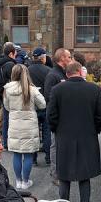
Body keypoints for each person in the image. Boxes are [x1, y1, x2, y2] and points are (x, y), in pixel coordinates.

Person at [48, 61, 101, 202]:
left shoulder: (57, 90)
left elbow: (51, 116)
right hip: (87, 136)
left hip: (64, 135)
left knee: (64, 173)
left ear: (67, 74)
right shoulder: (94, 90)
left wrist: (57, 130)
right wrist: (94, 130)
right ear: (81, 72)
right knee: (84, 172)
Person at [3, 64, 45, 190]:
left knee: (16, 153)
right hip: (29, 125)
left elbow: (7, 107)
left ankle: (18, 181)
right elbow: (42, 105)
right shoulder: (31, 90)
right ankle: (26, 181)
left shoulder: (7, 89)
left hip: (15, 124)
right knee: (27, 154)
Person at [44, 48, 72, 185]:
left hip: (65, 116)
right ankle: (55, 175)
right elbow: (49, 97)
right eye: (69, 57)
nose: (71, 59)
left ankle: (63, 171)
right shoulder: (53, 75)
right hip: (57, 117)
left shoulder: (64, 74)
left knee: (62, 145)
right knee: (55, 145)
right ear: (62, 58)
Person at [28, 48, 52, 166]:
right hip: (46, 105)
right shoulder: (48, 70)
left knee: (34, 133)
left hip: (32, 105)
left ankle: (33, 159)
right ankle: (48, 158)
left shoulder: (27, 70)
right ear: (43, 57)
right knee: (47, 132)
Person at [0, 43, 19, 147]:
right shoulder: (10, 65)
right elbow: (14, 80)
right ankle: (3, 139)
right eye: (15, 52)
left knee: (4, 113)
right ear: (11, 53)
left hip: (2, 90)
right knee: (6, 116)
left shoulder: (0, 61)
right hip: (8, 92)